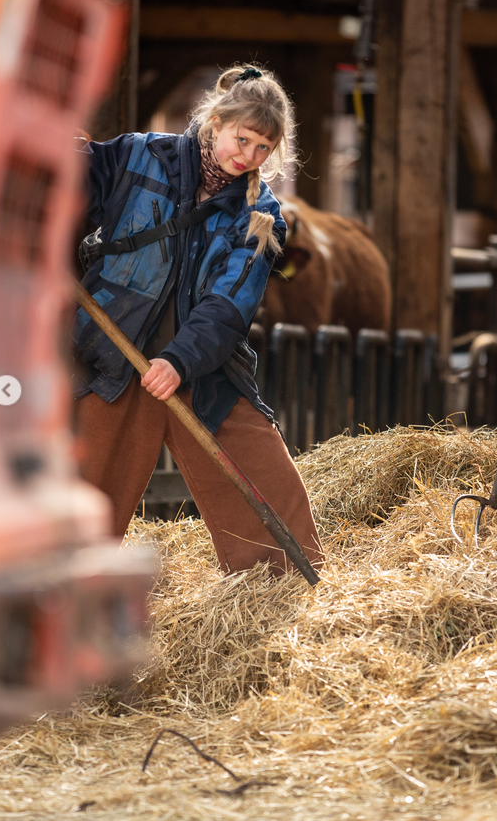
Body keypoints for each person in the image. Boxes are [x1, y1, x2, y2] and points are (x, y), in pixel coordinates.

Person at [72, 63, 324, 578]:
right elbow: (64, 188)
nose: (248, 156)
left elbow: (230, 305)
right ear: (215, 121)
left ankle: (281, 598)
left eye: (262, 149)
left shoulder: (262, 214)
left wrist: (180, 360)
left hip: (205, 373)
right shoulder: (138, 156)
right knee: (76, 519)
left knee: (277, 517)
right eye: (243, 139)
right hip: (110, 360)